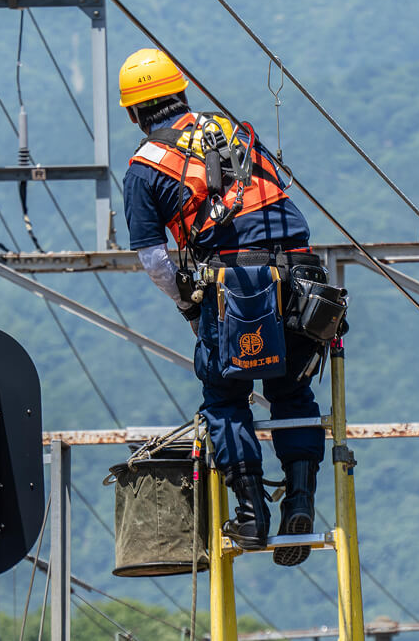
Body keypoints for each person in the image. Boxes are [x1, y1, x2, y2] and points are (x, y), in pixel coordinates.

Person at [119, 48, 325, 567]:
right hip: (300, 280)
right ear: (183, 92)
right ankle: (300, 502)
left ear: (132, 114)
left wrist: (190, 308)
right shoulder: (235, 133)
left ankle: (252, 511)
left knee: (225, 396)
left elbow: (153, 260)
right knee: (293, 390)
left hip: (232, 292)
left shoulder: (144, 169)